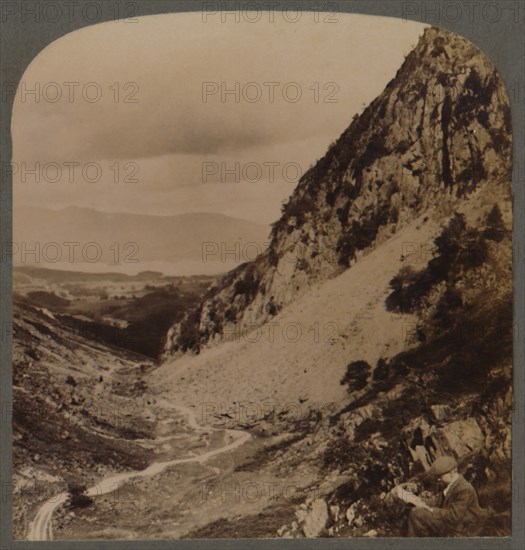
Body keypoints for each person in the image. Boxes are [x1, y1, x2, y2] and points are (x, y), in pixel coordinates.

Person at [391, 456, 488, 536]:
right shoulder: (452, 485)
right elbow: (437, 500)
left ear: (451, 473)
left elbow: (454, 516)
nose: (438, 479)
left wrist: (431, 510)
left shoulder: (464, 489)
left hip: (464, 527)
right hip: (455, 523)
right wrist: (415, 500)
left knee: (417, 514)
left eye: (440, 476)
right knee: (416, 510)